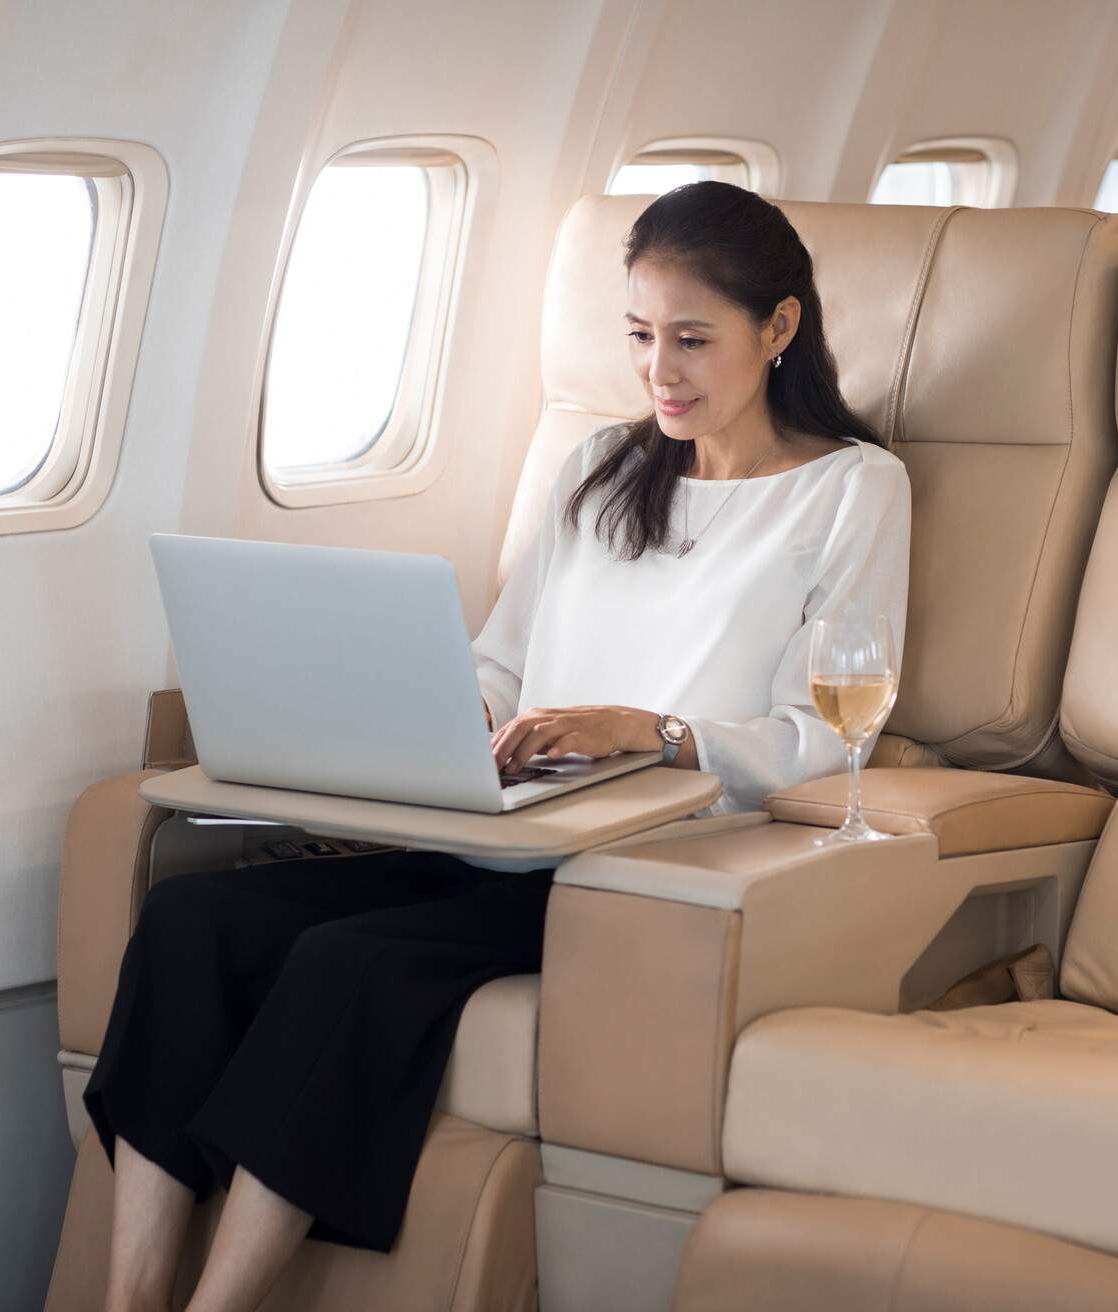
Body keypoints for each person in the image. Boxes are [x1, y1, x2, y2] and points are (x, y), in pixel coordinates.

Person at [83, 180, 912, 1312]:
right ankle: (127, 1295)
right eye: (637, 337)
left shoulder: (854, 490)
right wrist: (457, 714)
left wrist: (655, 733)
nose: (659, 370)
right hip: (487, 825)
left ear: (778, 330)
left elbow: (820, 738)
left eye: (690, 340)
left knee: (345, 963)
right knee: (192, 921)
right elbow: (501, 659)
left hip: (638, 866)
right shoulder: (596, 470)